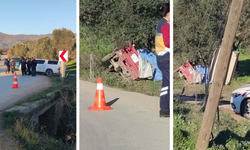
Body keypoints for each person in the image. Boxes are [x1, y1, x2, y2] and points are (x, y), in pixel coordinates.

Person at [155, 3, 170, 118]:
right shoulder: (165, 25)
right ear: (168, 14)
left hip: (161, 59)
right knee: (170, 84)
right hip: (166, 58)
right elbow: (168, 43)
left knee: (166, 84)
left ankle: (164, 110)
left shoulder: (161, 23)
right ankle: (166, 109)